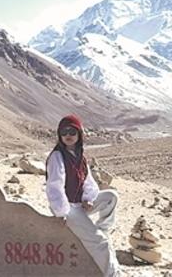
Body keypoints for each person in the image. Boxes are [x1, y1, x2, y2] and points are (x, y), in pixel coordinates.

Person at [45, 114, 119, 277]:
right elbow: (55, 186)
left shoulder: (80, 156)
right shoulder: (57, 156)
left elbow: (88, 181)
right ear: (59, 135)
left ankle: (103, 229)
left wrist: (89, 199)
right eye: (64, 132)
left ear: (79, 134)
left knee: (111, 197)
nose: (68, 135)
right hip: (68, 208)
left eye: (72, 131)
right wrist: (61, 212)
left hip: (80, 202)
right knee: (100, 242)